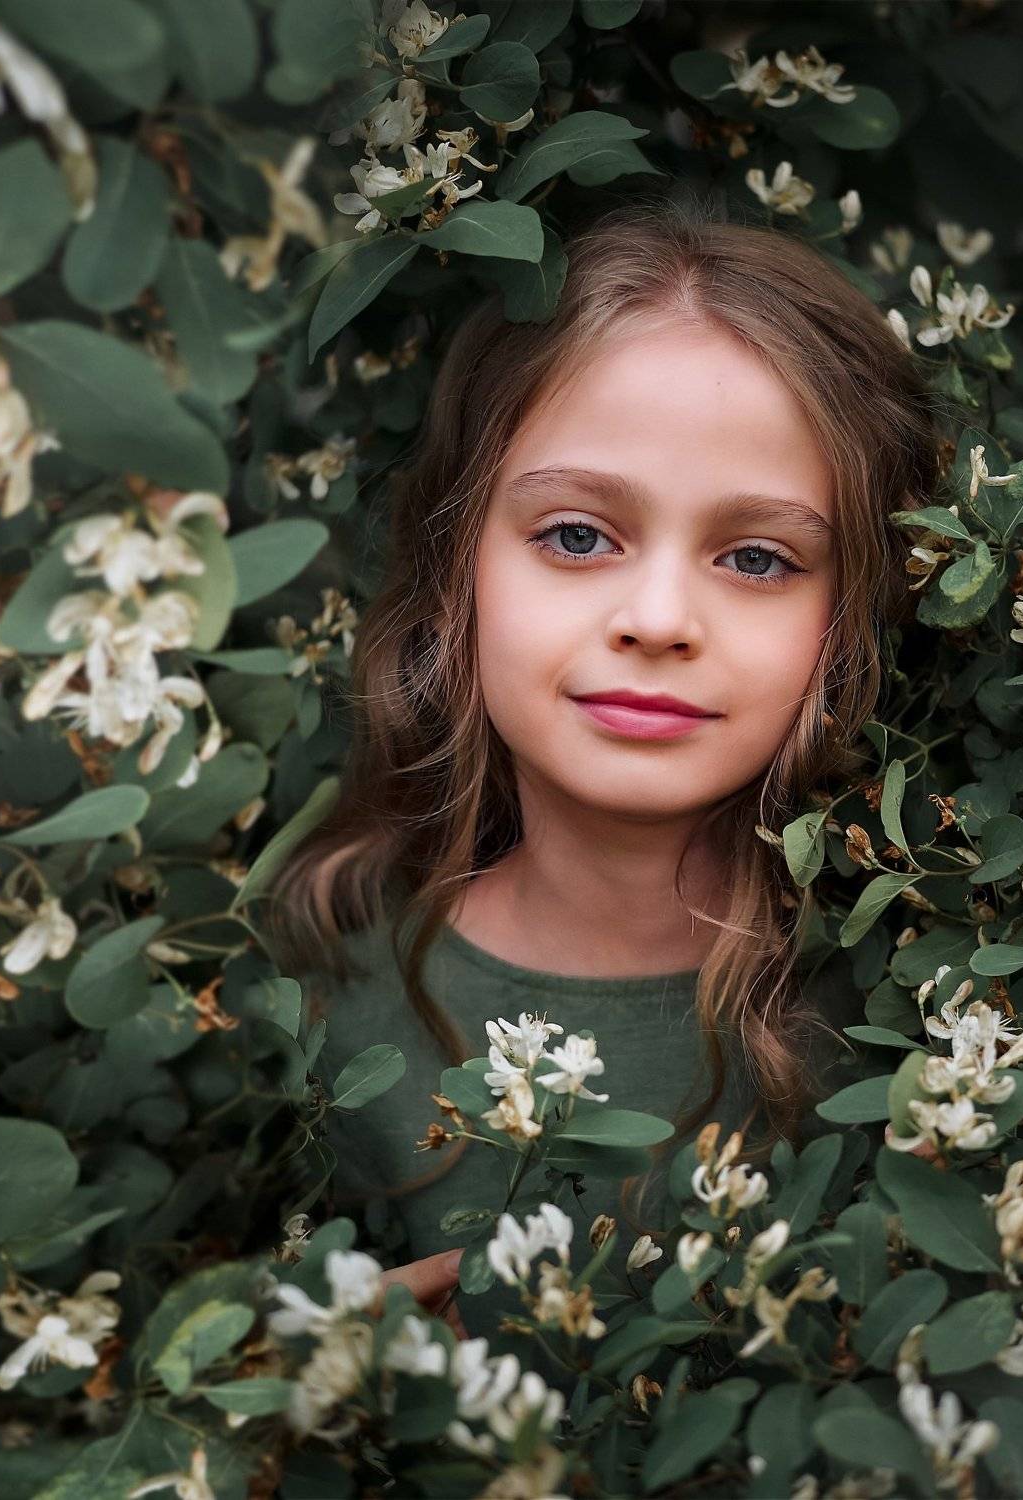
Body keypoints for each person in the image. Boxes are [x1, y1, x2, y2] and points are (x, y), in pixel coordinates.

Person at [251, 189, 946, 1372]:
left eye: (757, 557)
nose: (658, 618)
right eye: (576, 535)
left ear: (851, 615)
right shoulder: (315, 1007)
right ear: (457, 567)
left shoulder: (921, 1019)